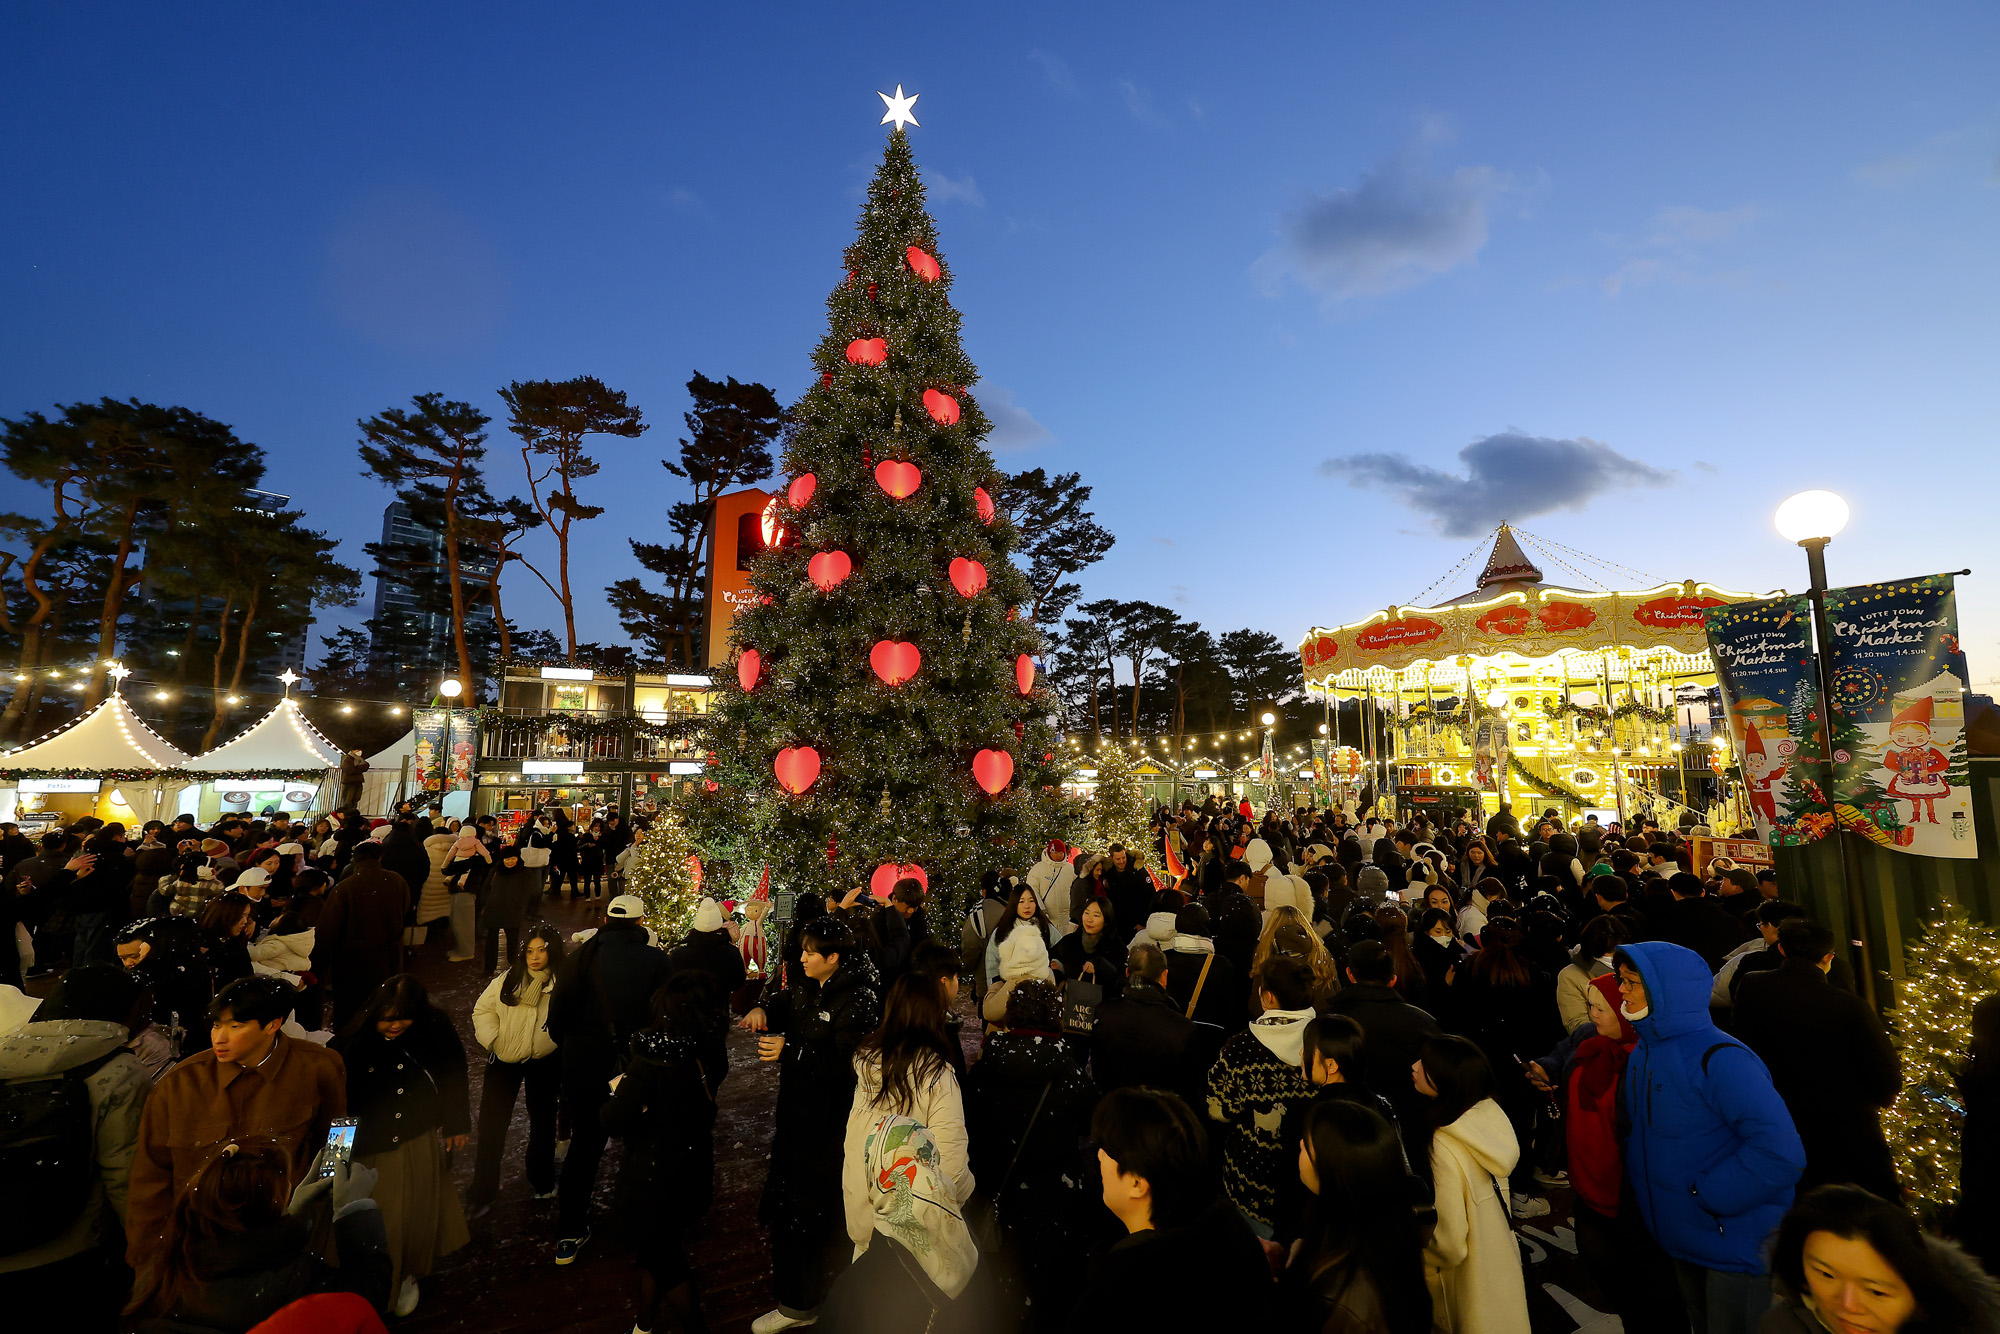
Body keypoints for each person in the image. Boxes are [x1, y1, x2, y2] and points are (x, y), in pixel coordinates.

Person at [1616, 941, 1804, 1334]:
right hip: (1681, 1232)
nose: (1620, 990)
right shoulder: (1645, 1053)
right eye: (1622, 980)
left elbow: (1780, 1152)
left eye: (1631, 982)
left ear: (1666, 991)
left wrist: (1706, 1197)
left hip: (1731, 1242)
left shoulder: (1721, 1058)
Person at [125, 976, 348, 1289]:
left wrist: (326, 1209)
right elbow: (149, 1181)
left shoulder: (319, 1067)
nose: (220, 1037)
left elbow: (339, 1140)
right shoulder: (178, 1087)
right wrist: (148, 1260)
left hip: (284, 1243)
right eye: (217, 1025)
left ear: (272, 1025)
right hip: (201, 1252)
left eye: (235, 1026)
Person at [742, 917, 881, 1334]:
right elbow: (789, 1001)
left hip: (828, 1125)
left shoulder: (860, 998)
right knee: (793, 1205)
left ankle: (804, 1303)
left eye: (809, 952)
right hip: (797, 1116)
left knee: (812, 1211)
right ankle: (802, 1293)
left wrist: (792, 1051)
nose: (801, 958)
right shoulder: (810, 984)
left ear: (833, 958)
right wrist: (764, 1007)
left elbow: (848, 1066)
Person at [1526, 975, 1687, 1334]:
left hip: (1634, 1197)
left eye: (1602, 1007)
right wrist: (1547, 1068)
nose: (1593, 1014)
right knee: (1612, 1281)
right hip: (1587, 1187)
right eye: (1591, 1005)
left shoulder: (1653, 1061)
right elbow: (1562, 1051)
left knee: (1657, 1293)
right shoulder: (1588, 1037)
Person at [820, 973, 978, 1334]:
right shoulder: (937, 1077)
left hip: (866, 1215)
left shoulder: (867, 1066)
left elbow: (857, 1147)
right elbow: (951, 1168)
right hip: (915, 1234)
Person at [0, 965, 152, 1320]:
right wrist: (148, 1252)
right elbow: (125, 1174)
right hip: (70, 1244)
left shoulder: (6, 1051)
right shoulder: (116, 1069)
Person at [1064, 1088, 1273, 1334]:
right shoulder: (1230, 1234)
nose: (1099, 1155)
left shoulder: (1118, 1295)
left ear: (1137, 1183)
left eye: (1108, 1150)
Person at [329, 975, 470, 1317]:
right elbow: (339, 1108)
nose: (394, 1026)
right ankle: (367, 1285)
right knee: (376, 1219)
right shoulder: (348, 1044)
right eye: (386, 1017)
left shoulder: (434, 1029)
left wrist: (456, 1124)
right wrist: (334, 1160)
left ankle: (404, 1275)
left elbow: (454, 1075)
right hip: (367, 1146)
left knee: (413, 1216)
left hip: (414, 1140)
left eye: (402, 1017)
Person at [1733, 918, 1902, 1200]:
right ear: (1828, 957)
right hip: (1844, 1121)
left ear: (1783, 950)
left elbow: (1743, 1043)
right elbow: (1884, 1071)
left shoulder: (1753, 986)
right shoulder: (1850, 1005)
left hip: (1774, 1110)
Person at [547, 894, 674, 1265]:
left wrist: (576, 1048)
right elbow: (667, 1017)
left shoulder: (581, 958)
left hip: (584, 1069)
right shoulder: (655, 960)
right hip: (635, 1070)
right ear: (639, 922)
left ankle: (569, 1230)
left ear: (605, 919)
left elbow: (558, 1018)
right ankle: (640, 1220)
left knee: (584, 1149)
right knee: (641, 1145)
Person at [964, 979, 1095, 1334]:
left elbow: (971, 1128)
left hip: (996, 1192)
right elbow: (1087, 1124)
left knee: (997, 1286)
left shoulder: (986, 1067)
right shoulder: (1068, 1073)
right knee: (1046, 1292)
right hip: (1053, 1199)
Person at [602, 973, 717, 1334]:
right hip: (693, 1166)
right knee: (658, 1250)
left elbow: (612, 1120)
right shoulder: (705, 1050)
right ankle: (644, 1324)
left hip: (653, 1177)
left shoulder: (650, 1061)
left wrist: (618, 1095)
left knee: (662, 1257)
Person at [1763, 1183, 2000, 1334]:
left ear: (1921, 1301)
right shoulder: (1784, 1325)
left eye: (1876, 1292)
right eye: (1825, 1274)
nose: (1847, 1305)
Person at [1412, 1035, 1530, 1334]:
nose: (1413, 1067)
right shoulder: (1488, 1119)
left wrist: (1421, 1256)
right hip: (1500, 1272)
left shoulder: (1444, 1143)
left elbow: (1450, 1244)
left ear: (1445, 1078)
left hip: (1467, 1288)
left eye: (1424, 1064)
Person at [1283, 1098, 1432, 1334]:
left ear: (1332, 1172)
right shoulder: (1388, 1235)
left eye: (1307, 1146)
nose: (1300, 1144)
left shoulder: (1340, 1298)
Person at [1206, 956, 1320, 1236]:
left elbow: (1217, 1109)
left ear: (1267, 997)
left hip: (1251, 1179)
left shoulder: (1241, 1047)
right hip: (1314, 1181)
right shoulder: (1325, 1040)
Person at [466, 924, 563, 1214]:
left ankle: (542, 1180)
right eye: (530, 951)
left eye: (541, 950)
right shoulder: (508, 979)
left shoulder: (560, 984)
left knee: (543, 1123)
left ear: (552, 951)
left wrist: (552, 1040)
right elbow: (482, 1010)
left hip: (542, 1060)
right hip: (504, 1059)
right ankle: (483, 1188)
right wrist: (493, 1040)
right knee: (492, 1125)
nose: (535, 957)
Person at [1325, 941, 1441, 1130]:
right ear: (1393, 980)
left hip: (1345, 1123)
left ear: (1349, 974)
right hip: (1413, 1124)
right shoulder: (1423, 1022)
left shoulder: (1329, 1021)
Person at [310, 843, 409, 1031]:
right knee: (384, 1002)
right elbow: (404, 910)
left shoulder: (345, 887)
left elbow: (328, 928)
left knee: (351, 1010)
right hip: (389, 955)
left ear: (355, 860)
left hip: (352, 960)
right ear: (380, 858)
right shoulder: (397, 880)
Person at [1090, 942, 1198, 1103]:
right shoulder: (1183, 1029)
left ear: (1127, 973)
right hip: (1158, 1117)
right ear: (1164, 976)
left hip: (1111, 1111)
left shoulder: (1103, 1013)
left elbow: (1095, 1069)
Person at [982, 882, 1056, 1019]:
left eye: (1031, 901)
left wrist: (1056, 965)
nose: (1027, 906)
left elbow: (1060, 948)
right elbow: (992, 962)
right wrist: (995, 988)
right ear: (1014, 904)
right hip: (1010, 987)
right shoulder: (1003, 930)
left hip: (1040, 990)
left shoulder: (1046, 927)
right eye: (1021, 901)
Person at [1556, 914, 1626, 1034]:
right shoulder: (1570, 976)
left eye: (1617, 950)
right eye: (1608, 952)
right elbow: (1577, 1024)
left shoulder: (1630, 967)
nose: (1612, 957)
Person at [480, 843, 542, 975]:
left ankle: (514, 966)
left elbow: (528, 892)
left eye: (513, 858)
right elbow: (486, 888)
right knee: (491, 941)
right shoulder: (496, 871)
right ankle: (489, 969)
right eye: (507, 858)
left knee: (513, 941)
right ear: (502, 859)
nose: (510, 861)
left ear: (518, 858)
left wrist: (522, 908)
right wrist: (486, 902)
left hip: (513, 911)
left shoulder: (524, 872)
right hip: (494, 910)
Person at [1050, 895, 1125, 1001]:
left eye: (1096, 915)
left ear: (1106, 920)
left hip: (1104, 1009)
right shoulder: (1070, 941)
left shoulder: (1116, 947)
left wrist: (1100, 965)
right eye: (1087, 913)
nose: (1089, 919)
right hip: (1073, 1009)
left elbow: (1120, 982)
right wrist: (1060, 981)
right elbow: (1047, 960)